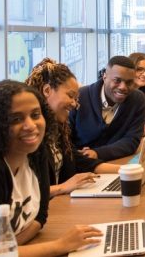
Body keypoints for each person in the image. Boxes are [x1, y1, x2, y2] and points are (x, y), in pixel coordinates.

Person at [0, 80, 101, 256]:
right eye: (16, 119)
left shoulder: (35, 152)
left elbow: (40, 216)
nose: (31, 126)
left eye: (36, 114)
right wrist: (59, 245)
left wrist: (8, 250)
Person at [25, 58, 120, 197]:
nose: (75, 104)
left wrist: (128, 170)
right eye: (70, 96)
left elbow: (80, 161)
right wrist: (62, 187)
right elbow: (23, 193)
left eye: (76, 99)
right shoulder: (29, 137)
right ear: (47, 90)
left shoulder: (57, 130)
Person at [69, 56, 145, 161]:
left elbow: (132, 140)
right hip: (80, 165)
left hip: (118, 163)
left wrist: (97, 153)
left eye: (129, 82)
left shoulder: (138, 100)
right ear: (104, 76)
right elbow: (65, 140)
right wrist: (81, 156)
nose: (123, 87)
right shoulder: (80, 96)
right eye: (117, 80)